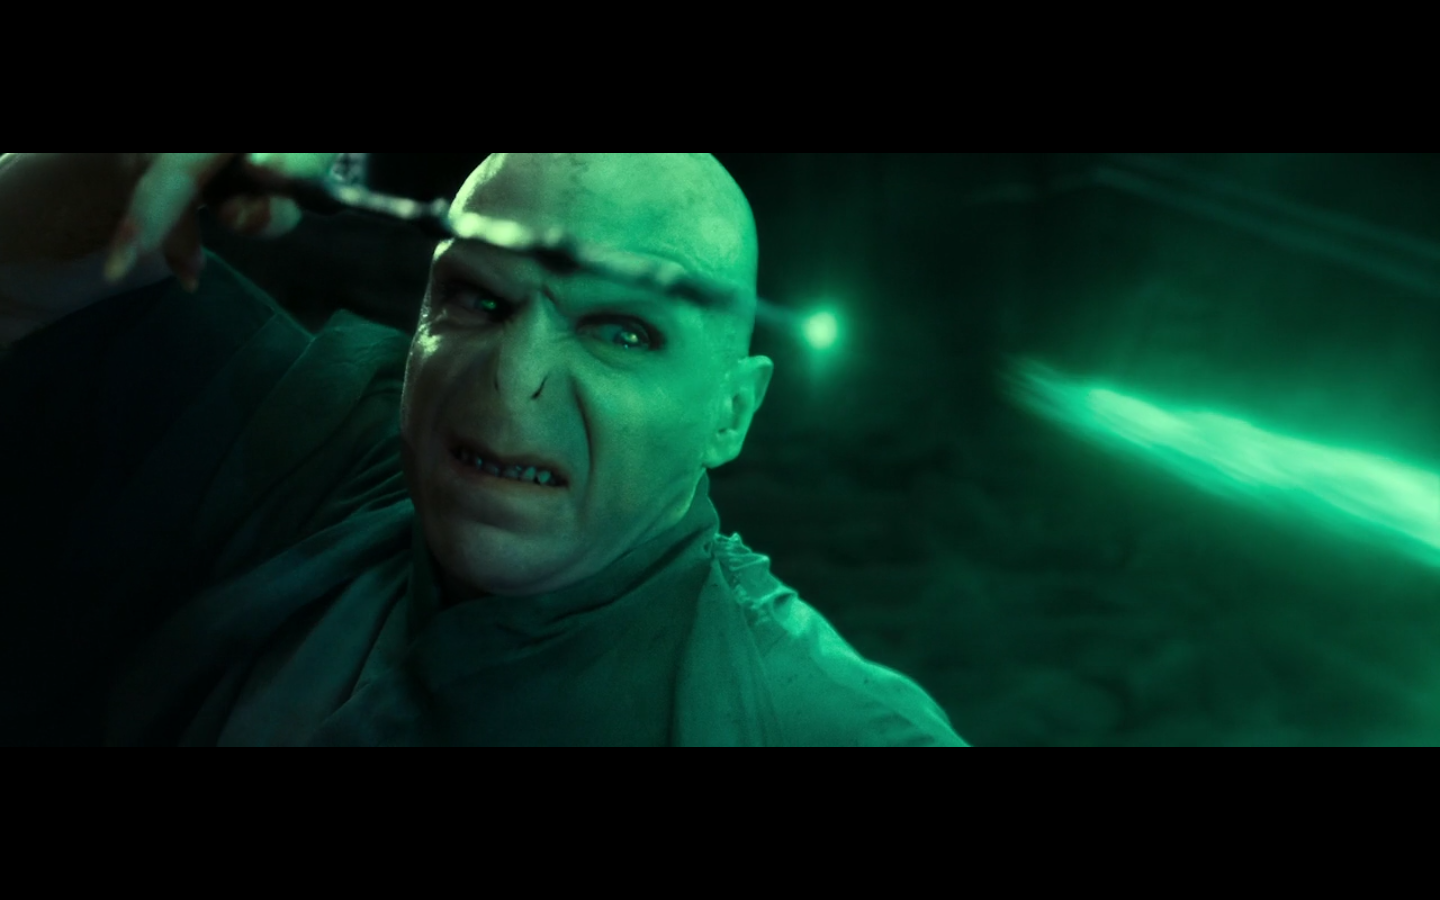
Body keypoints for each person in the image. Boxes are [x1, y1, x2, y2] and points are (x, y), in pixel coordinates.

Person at [0, 152, 966, 746]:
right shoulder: (322, 450)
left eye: (623, 332)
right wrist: (105, 172)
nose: (514, 378)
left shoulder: (817, 723)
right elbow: (31, 281)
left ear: (733, 410)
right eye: (478, 299)